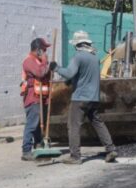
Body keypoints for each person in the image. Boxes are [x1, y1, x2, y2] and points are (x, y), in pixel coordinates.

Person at [50, 31, 117, 164]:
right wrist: (72, 80)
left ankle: (75, 156)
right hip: (94, 98)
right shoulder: (95, 57)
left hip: (80, 98)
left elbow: (69, 73)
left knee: (73, 126)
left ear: (77, 45)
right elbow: (83, 75)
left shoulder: (78, 57)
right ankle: (111, 149)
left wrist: (56, 68)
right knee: (97, 122)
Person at [20, 38, 52, 161]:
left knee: (39, 125)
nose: (45, 52)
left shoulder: (40, 61)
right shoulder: (29, 61)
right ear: (38, 50)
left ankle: (38, 145)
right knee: (32, 124)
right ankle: (26, 150)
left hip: (41, 98)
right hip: (33, 98)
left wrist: (50, 67)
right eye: (43, 50)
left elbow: (46, 76)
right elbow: (39, 73)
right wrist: (45, 62)